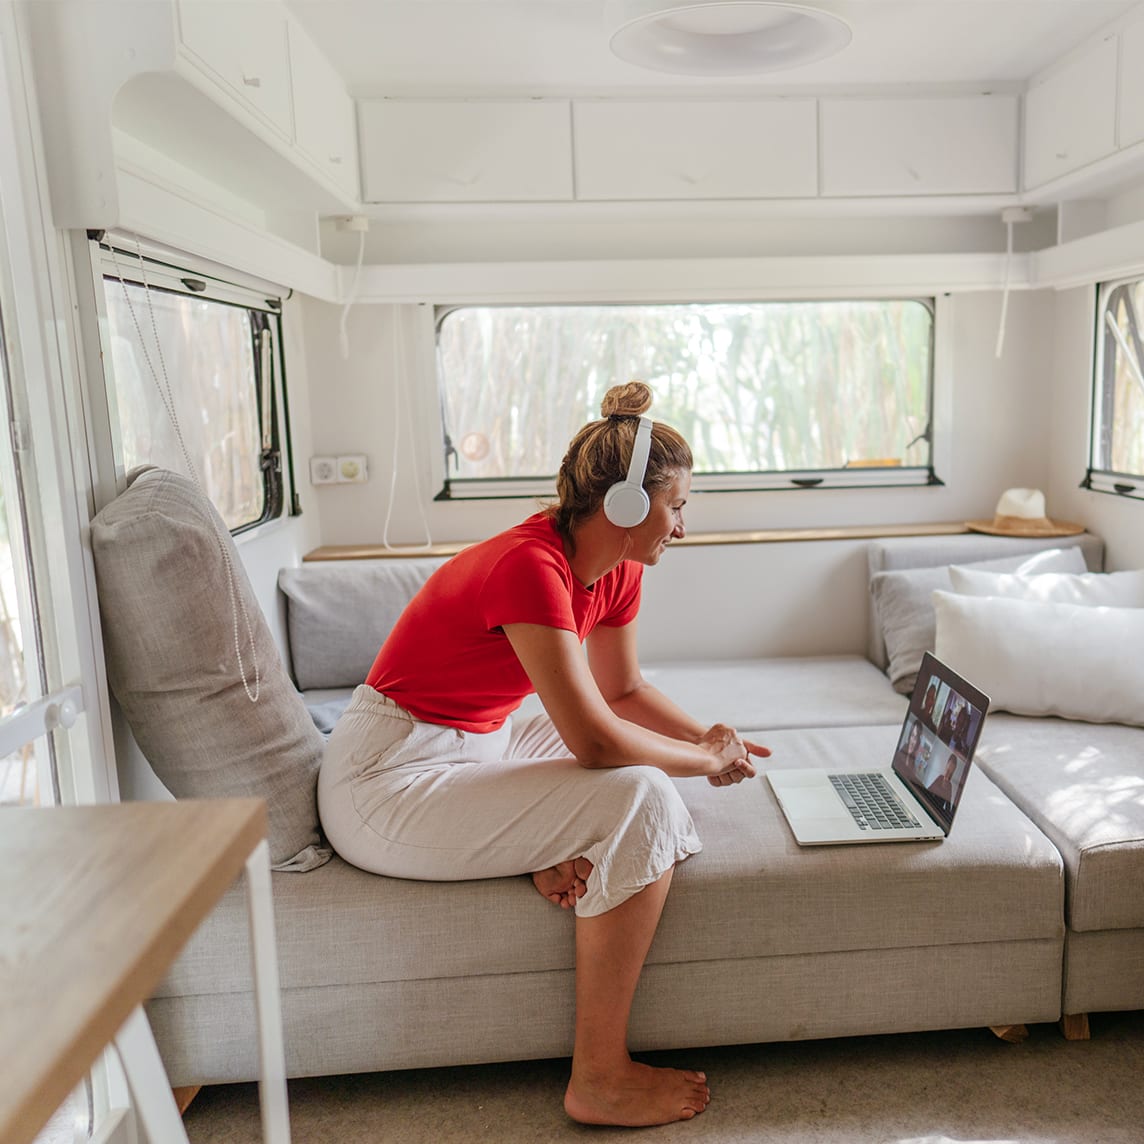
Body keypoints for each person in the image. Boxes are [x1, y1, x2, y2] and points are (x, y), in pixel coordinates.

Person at [318, 381, 770, 1128]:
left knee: (611, 752)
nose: (684, 527)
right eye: (678, 506)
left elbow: (620, 692)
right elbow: (596, 742)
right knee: (641, 792)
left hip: (477, 741)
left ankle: (552, 847)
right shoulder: (531, 565)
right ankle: (598, 1077)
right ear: (625, 507)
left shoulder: (617, 569)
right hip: (387, 778)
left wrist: (704, 737)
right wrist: (698, 764)